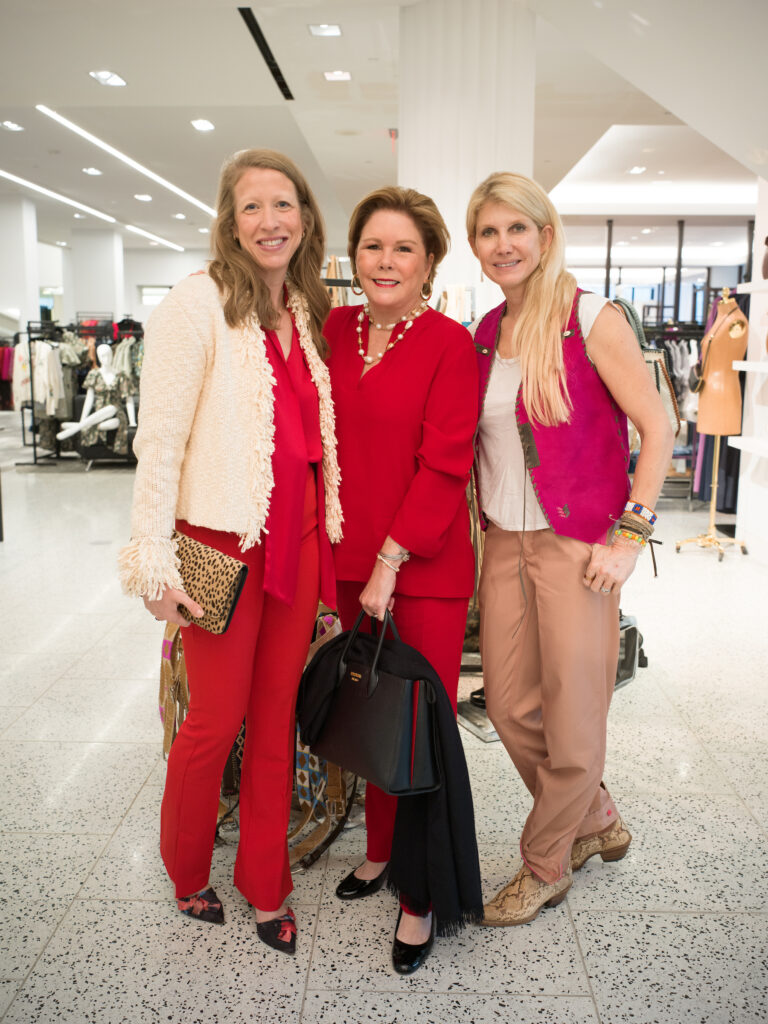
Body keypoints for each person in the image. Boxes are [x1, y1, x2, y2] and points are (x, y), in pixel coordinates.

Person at [117, 148, 342, 955]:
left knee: (278, 721)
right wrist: (153, 562)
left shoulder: (302, 311)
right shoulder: (196, 302)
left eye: (284, 205)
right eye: (252, 207)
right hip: (223, 549)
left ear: (306, 219)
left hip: (301, 548)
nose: (271, 221)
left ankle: (266, 884)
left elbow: (313, 450)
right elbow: (161, 442)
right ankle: (186, 872)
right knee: (214, 721)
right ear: (229, 220)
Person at [466, 172, 674, 926]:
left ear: (545, 237)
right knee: (510, 705)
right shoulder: (485, 334)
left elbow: (660, 427)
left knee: (576, 714)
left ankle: (545, 863)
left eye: (516, 229)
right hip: (504, 543)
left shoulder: (591, 319)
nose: (503, 244)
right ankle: (595, 817)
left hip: (578, 544)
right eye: (488, 233)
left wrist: (631, 533)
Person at [324, 186, 482, 974]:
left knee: (420, 732)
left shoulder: (452, 345)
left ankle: (421, 898)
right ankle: (379, 851)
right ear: (355, 256)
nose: (385, 263)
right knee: (370, 714)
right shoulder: (335, 328)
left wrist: (391, 559)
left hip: (421, 567)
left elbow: (446, 465)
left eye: (403, 250)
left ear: (429, 263)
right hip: (348, 560)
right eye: (373, 247)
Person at [56, 342, 136, 452]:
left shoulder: (121, 375)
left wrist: (132, 421)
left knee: (112, 411)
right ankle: (83, 424)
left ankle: (78, 426)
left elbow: (129, 399)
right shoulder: (94, 374)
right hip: (99, 413)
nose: (106, 358)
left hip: (116, 411)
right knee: (105, 420)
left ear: (112, 355)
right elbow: (89, 399)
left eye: (108, 355)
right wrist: (83, 417)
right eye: (103, 356)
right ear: (98, 357)